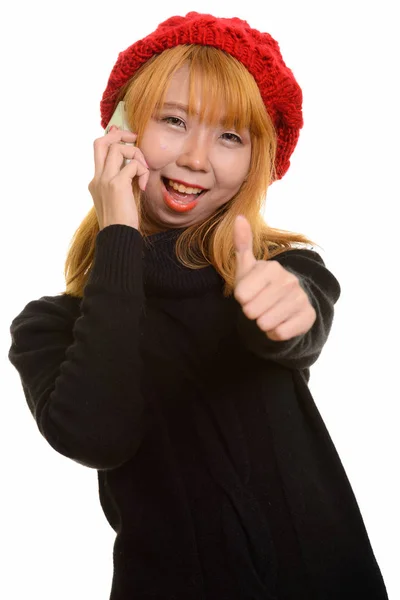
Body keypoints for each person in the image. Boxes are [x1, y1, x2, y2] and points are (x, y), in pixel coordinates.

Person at [8, 11, 388, 600]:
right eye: (174, 120)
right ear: (122, 131)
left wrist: (290, 308)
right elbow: (96, 437)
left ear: (254, 163)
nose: (196, 158)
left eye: (230, 136)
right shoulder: (49, 326)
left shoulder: (280, 268)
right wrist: (119, 236)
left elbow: (297, 324)